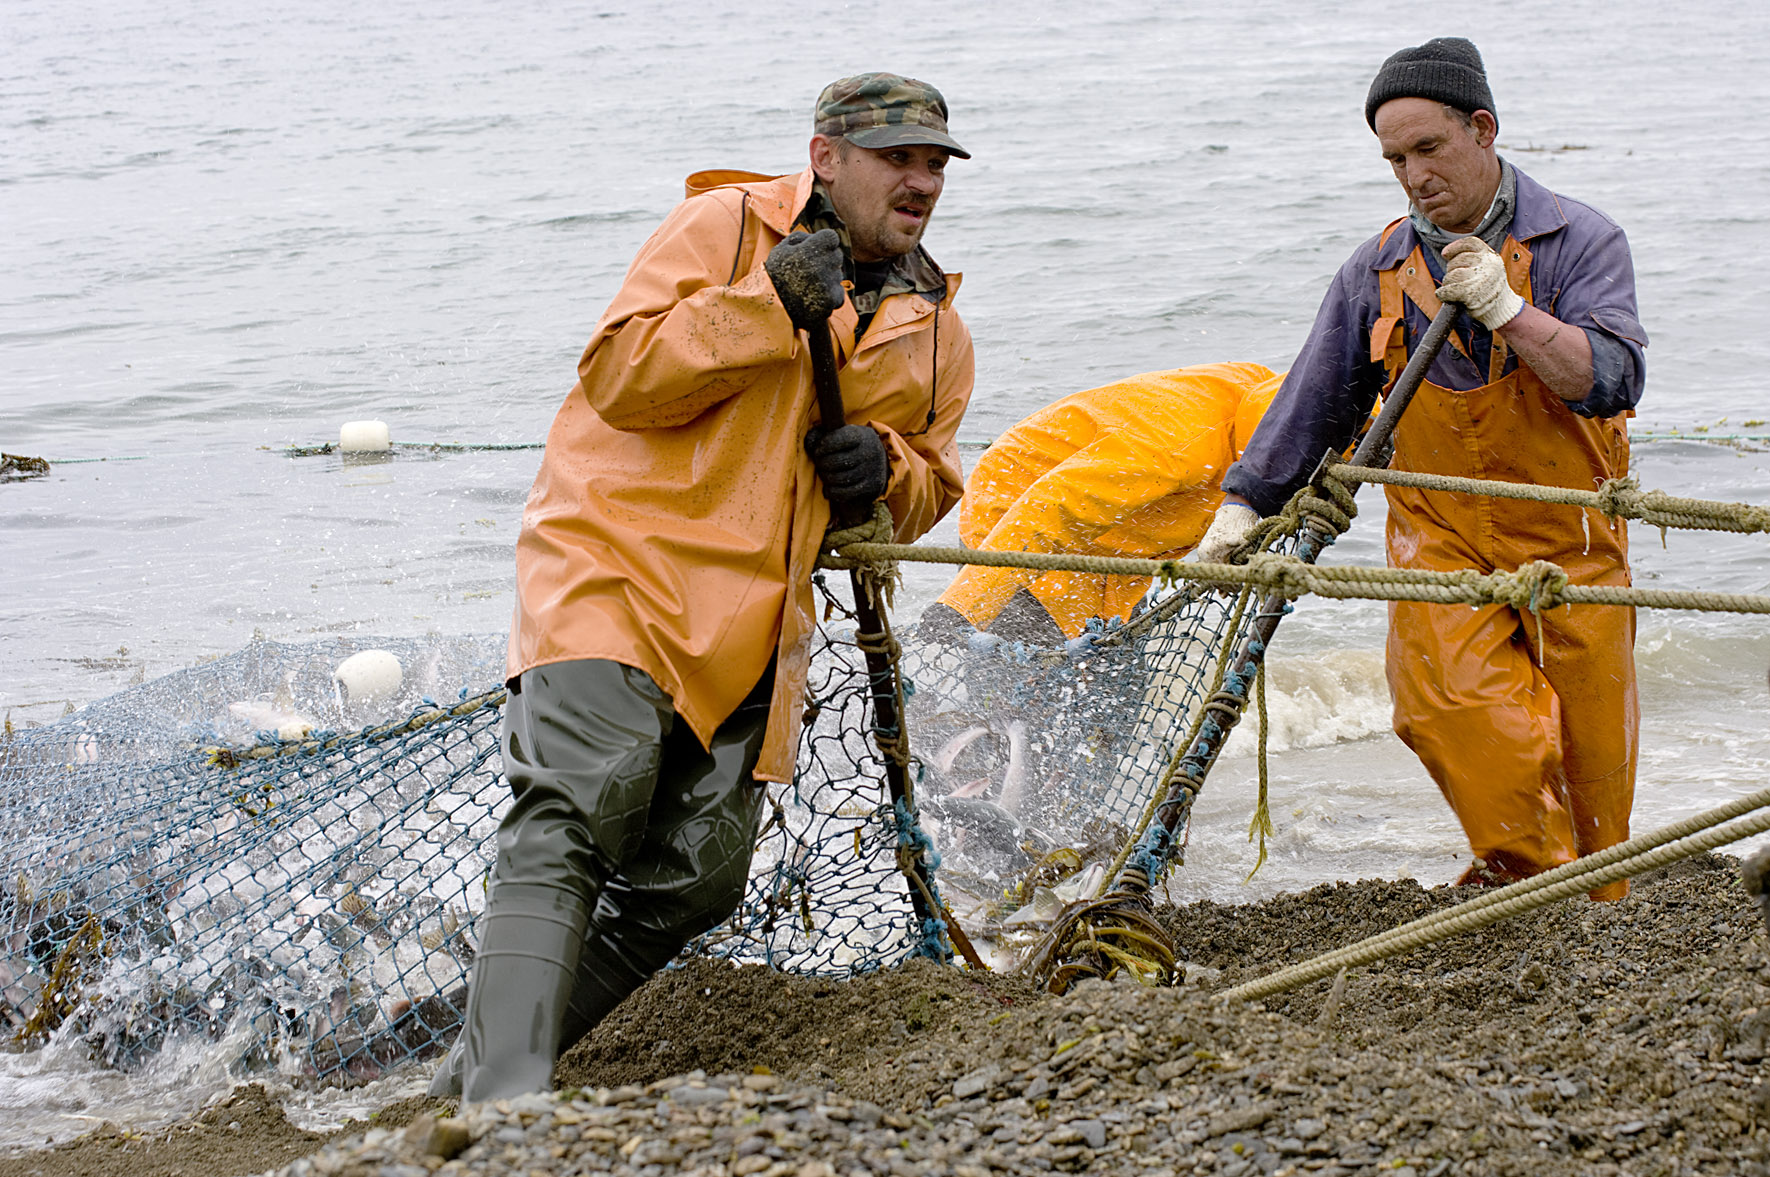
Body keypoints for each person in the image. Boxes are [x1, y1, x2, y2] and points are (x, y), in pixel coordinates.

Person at [433, 73, 975, 1100]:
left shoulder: (939, 329)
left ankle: (466, 1078)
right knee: (578, 804)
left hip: (757, 620)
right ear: (824, 158)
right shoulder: (722, 226)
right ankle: (503, 1102)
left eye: (934, 162)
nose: (920, 181)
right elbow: (618, 373)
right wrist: (764, 302)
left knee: (696, 877)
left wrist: (885, 473)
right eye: (896, 157)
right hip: (616, 564)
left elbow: (928, 484)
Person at [1203, 38, 1646, 899]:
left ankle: (1587, 895)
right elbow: (1315, 403)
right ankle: (1527, 876)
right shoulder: (1377, 269)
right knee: (1451, 707)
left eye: (1428, 149)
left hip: (1577, 542)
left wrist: (1509, 311)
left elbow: (1613, 378)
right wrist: (1241, 511)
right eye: (1394, 159)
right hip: (1441, 539)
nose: (1413, 176)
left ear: (1483, 129)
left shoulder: (1580, 240)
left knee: (1598, 775)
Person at [921, 362, 1284, 645]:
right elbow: (1051, 508)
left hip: (1120, 550)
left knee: (1104, 685)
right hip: (1021, 513)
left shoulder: (1281, 399)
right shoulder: (1176, 447)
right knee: (1026, 687)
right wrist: (963, 607)